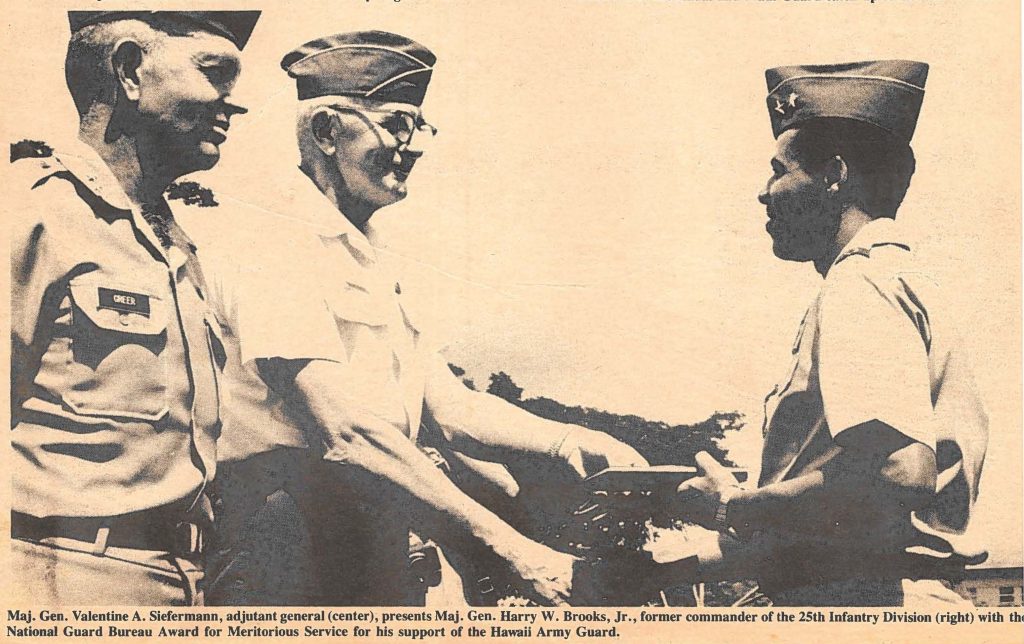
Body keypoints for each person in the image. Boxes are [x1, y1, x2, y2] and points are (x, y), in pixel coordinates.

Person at [183, 30, 647, 606]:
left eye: (420, 128)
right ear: (327, 130)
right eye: (399, 124)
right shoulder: (273, 238)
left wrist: (570, 441)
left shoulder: (364, 249)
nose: (416, 146)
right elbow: (346, 429)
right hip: (286, 532)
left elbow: (448, 408)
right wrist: (509, 547)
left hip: (375, 521)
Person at [677, 60, 989, 606]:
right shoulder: (901, 279)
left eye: (779, 170)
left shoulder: (858, 284)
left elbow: (896, 474)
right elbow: (850, 523)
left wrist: (733, 506)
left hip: (860, 606)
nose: (763, 192)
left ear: (833, 175)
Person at [10, 11, 260, 605]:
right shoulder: (30, 215)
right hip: (59, 579)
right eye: (214, 73)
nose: (232, 105)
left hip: (185, 582)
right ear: (129, 71)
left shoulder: (175, 242)